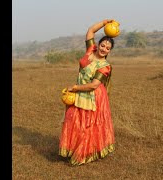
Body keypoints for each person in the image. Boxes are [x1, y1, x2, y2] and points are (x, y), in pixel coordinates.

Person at [58, 19, 116, 166]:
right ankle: (72, 148)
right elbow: (90, 31)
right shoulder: (90, 50)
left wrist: (75, 88)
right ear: (98, 45)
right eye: (102, 45)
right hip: (79, 90)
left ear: (109, 51)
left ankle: (86, 152)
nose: (103, 49)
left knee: (88, 124)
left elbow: (94, 85)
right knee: (73, 119)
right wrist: (105, 22)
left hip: (94, 96)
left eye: (107, 48)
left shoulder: (105, 66)